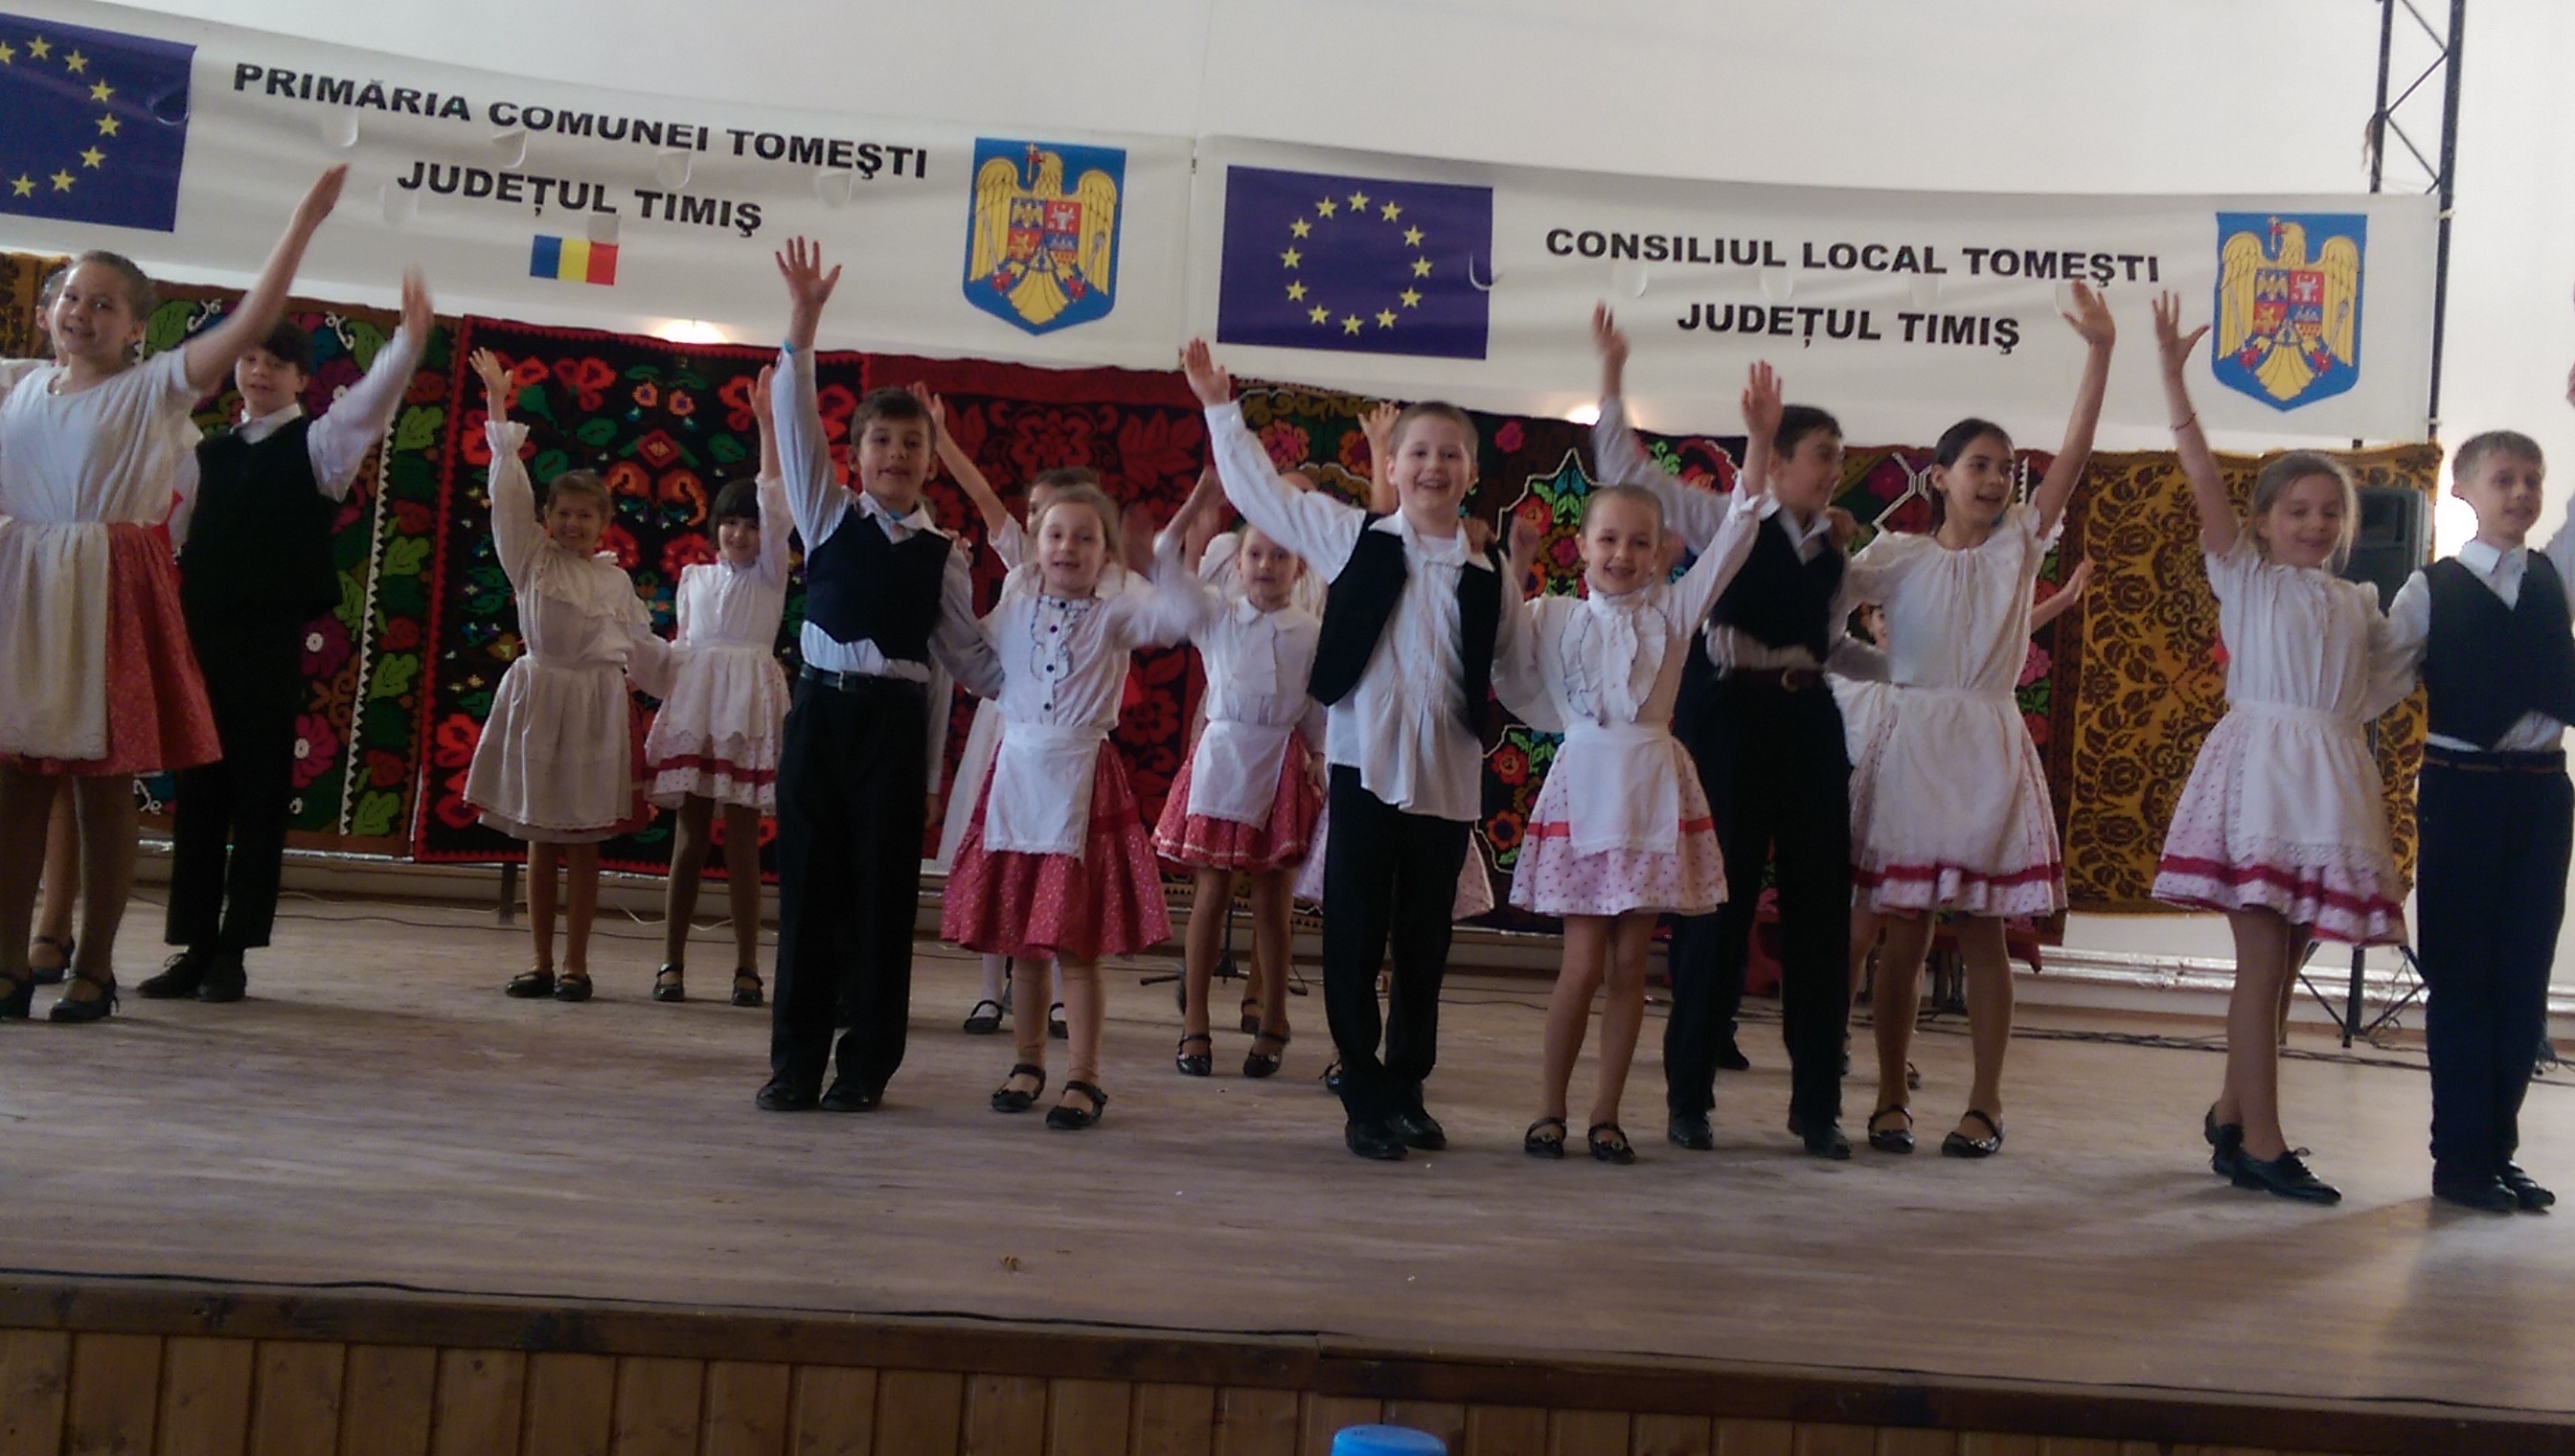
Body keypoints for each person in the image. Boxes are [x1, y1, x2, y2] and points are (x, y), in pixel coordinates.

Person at [0, 165, 348, 1024]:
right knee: (17, 788)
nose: (81, 312)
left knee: (101, 785)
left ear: (135, 329)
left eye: (104, 303)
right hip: (26, 592)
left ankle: (94, 967)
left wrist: (301, 226)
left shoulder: (152, 388)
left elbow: (247, 325)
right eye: (71, 297)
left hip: (100, 591)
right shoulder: (17, 387)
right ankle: (8, 962)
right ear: (48, 310)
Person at [1184, 339, 1529, 1162]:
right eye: (1419, 453)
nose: (1433, 466)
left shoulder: (1488, 569)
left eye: (1450, 454)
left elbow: (1520, 666)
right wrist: (1220, 408)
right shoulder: (1354, 538)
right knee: (1353, 933)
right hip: (1364, 767)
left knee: (1424, 943)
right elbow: (1260, 493)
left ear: (1472, 471)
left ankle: (1406, 1087)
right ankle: (1363, 1089)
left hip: (1446, 780)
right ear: (1395, 466)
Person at [2143, 293, 2410, 1204]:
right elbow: (2200, 474)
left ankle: (2231, 1114)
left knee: (2284, 967)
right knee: (2261, 969)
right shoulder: (2246, 581)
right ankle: (2263, 1141)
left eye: (2329, 512)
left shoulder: (2356, 604)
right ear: (2261, 522)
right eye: (2296, 509)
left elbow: (2387, 676)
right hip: (2262, 779)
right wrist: (2174, 380)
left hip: (2326, 784)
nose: (2314, 524)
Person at [1845, 281, 2116, 1160]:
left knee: (1984, 933)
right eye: (1980, 465)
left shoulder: (2018, 547)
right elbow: (1821, 605)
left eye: (2005, 468)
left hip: (1986, 752)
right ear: (1940, 477)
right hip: (1913, 751)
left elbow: (2075, 451)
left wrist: (2100, 352)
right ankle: (1890, 1095)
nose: (1997, 479)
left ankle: (1986, 1104)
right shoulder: (1895, 557)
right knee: (1904, 934)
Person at [1595, 332, 1866, 1158]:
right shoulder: (1724, 516)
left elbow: (1833, 645)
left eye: (1839, 457)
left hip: (1809, 720)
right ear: (1776, 460)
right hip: (1729, 719)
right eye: (1822, 454)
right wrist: (1612, 374)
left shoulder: (1834, 546)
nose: (1834, 470)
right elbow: (1624, 467)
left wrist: (1919, 675)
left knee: (1821, 913)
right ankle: (1689, 1098)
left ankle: (1817, 1108)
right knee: (1717, 907)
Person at [138, 274, 430, 1004]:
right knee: (199, 795)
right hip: (202, 637)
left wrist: (407, 342)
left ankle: (234, 950)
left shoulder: (319, 446)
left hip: (269, 641)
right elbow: (166, 535)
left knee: (257, 794)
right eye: (249, 360)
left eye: (276, 362)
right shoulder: (206, 453)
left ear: (303, 378)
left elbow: (369, 405)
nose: (259, 372)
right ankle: (194, 945)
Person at [759, 239, 1002, 1113]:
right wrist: (803, 323)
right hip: (821, 721)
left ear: (931, 459)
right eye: (880, 440)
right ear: (856, 454)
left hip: (894, 736)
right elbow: (794, 420)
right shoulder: (827, 517)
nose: (895, 453)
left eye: (911, 442)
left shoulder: (944, 556)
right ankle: (794, 1065)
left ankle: (864, 1068)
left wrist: (1056, 682)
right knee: (809, 894)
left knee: (880, 901)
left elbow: (970, 660)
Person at [1505, 479, 1759, 1164]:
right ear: (1582, 545)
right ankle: (1550, 1109)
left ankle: (1606, 1115)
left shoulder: (1673, 613)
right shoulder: (1553, 616)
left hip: (1650, 795)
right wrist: (1517, 567)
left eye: (1639, 542)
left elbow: (1735, 538)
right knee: (1582, 963)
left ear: (1659, 553)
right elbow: (1504, 651)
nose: (1622, 554)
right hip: (1585, 790)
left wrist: (1759, 453)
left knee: (1627, 965)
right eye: (1609, 539)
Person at [944, 486, 1186, 1130]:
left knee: (1075, 948)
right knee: (1023, 941)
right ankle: (1027, 1063)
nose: (1067, 548)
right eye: (1055, 535)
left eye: (1085, 537)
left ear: (1106, 553)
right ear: (1036, 543)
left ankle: (1084, 1074)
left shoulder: (1116, 614)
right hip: (1018, 779)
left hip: (1079, 780)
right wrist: (945, 574)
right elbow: (968, 651)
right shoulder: (1015, 608)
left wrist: (1158, 564)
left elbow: (1176, 618)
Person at [2380, 409, 2571, 1215]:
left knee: (2523, 977)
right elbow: (2378, 679)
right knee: (2461, 976)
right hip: (2461, 790)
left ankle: (2497, 1150)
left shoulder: (2555, 574)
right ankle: (2458, 1160)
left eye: (2532, 480)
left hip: (2542, 794)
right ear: (2462, 491)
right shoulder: (2430, 589)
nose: (2521, 492)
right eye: (2504, 480)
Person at [1840, 568, 2091, 1089]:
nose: (1890, 624)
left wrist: (2064, 600)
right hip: (1890, 804)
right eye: (1881, 616)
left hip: (1947, 790)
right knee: (1864, 933)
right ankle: (1838, 1041)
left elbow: (2005, 637)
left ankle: (1967, 1089)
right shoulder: (1854, 672)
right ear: (1868, 622)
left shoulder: (1953, 663)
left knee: (1957, 929)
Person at [466, 349, 661, 1003]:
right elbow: (507, 493)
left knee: (583, 844)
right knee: (540, 838)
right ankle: (540, 961)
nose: (573, 524)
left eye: (586, 515)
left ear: (605, 524)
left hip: (595, 709)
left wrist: (691, 685)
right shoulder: (530, 560)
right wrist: (498, 405)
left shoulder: (615, 582)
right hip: (541, 699)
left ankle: (577, 964)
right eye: (564, 513)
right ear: (547, 518)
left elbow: (643, 650)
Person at [1152, 469, 1323, 1081]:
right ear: (1237, 559)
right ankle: (1195, 1021)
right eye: (1255, 554)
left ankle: (1273, 1018)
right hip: (1223, 761)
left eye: (1280, 556)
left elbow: (1318, 708)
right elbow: (1162, 560)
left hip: (1280, 766)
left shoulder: (1310, 633)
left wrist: (1319, 759)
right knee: (1212, 893)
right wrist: (1198, 502)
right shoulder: (1216, 616)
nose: (1266, 566)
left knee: (1274, 903)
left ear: (1299, 568)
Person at [644, 365, 792, 1010]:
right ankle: (671, 962)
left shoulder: (769, 576)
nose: (739, 532)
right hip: (698, 707)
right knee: (688, 839)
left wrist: (767, 426)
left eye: (750, 524)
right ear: (714, 528)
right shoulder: (694, 580)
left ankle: (747, 967)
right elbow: (679, 650)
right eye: (730, 522)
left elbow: (776, 501)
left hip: (746, 710)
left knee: (742, 846)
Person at [933, 453, 1093, 1042]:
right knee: (1001, 859)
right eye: (1034, 512)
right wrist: (945, 441)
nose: (1035, 521)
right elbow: (984, 499)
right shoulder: (1022, 577)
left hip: (1062, 741)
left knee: (1058, 862)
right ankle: (987, 990)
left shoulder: (1093, 590)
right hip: (1006, 731)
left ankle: (1059, 993)